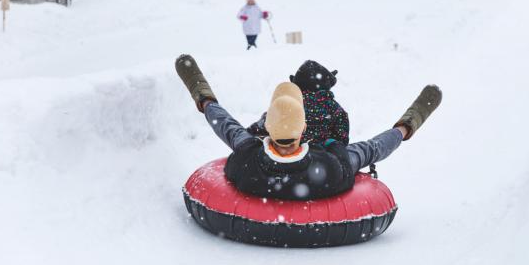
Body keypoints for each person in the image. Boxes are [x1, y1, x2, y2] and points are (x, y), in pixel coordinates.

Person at [175, 54, 442, 201]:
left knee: (235, 132)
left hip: (269, 160)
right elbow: (370, 148)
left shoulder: (246, 160)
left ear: (269, 127)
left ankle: (201, 89)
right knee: (368, 150)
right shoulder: (333, 169)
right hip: (325, 159)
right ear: (301, 130)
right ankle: (411, 120)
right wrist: (336, 148)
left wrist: (205, 97)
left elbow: (227, 126)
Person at [247, 60, 350, 144]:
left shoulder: (286, 105)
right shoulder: (334, 109)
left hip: (286, 157)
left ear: (295, 85)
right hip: (322, 162)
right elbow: (342, 139)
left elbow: (255, 130)